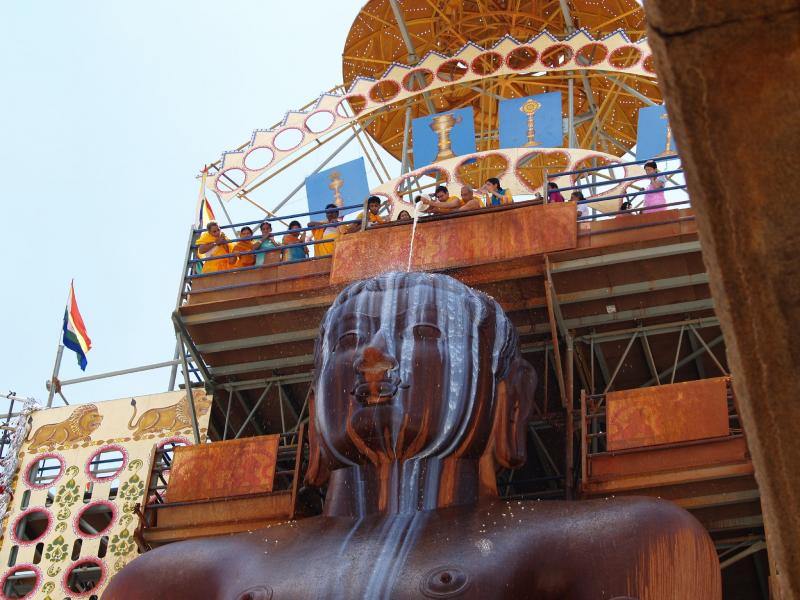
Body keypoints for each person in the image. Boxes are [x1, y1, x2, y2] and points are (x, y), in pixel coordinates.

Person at [105, 272, 722, 600]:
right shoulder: (176, 577)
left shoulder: (625, 543)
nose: (372, 357)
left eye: (425, 334)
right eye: (346, 345)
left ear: (513, 401)